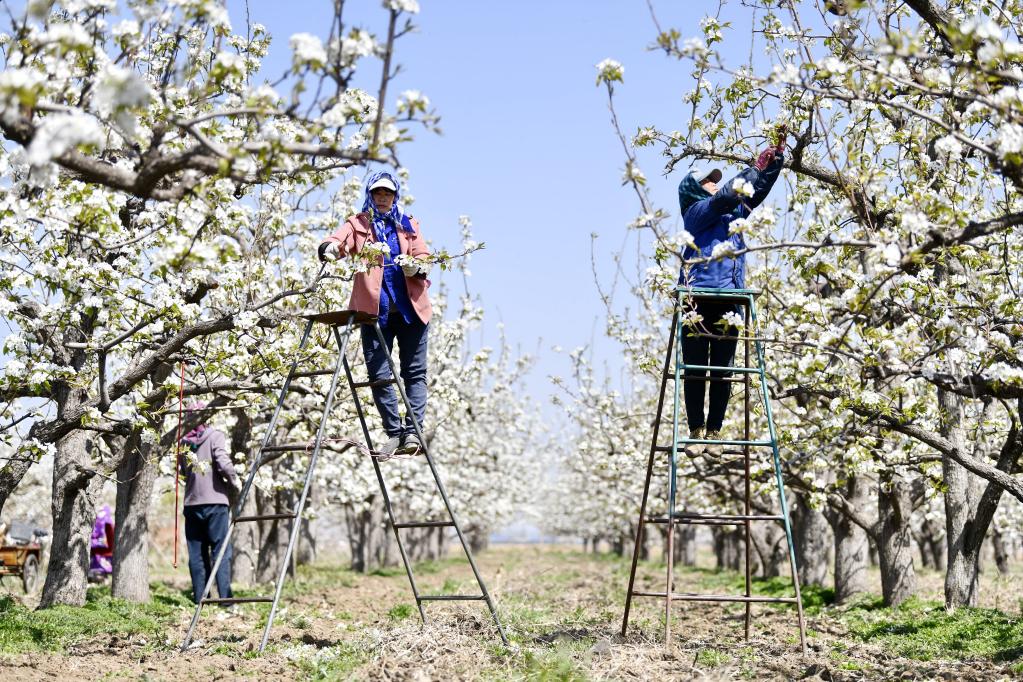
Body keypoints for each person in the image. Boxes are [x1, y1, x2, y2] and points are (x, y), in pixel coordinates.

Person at [676, 131, 787, 443]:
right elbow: (726, 194)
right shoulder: (695, 214)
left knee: (723, 370)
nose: (713, 184)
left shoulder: (733, 212)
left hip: (729, 298)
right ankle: (696, 428)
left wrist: (774, 159)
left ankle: (714, 432)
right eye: (707, 182)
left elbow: (755, 190)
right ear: (693, 190)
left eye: (714, 181)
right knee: (696, 369)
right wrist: (754, 165)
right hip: (697, 299)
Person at [318, 171, 432, 456]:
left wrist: (415, 267)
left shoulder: (408, 223)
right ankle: (394, 432)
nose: (383, 199)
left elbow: (423, 257)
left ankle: (413, 432)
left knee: (414, 373)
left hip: (410, 310)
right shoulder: (358, 224)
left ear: (395, 196)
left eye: (388, 194)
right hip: (374, 312)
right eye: (378, 194)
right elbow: (335, 242)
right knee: (379, 373)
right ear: (370, 195)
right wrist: (329, 249)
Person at [180, 412, 241, 604]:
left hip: (192, 503)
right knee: (221, 551)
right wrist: (234, 480)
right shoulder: (215, 435)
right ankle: (225, 600)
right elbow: (223, 463)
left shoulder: (183, 442)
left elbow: (183, 471)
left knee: (197, 554)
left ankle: (201, 598)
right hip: (216, 502)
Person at [88, 504, 114, 582]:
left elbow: (109, 535)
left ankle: (100, 577)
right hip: (99, 549)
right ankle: (98, 577)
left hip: (102, 549)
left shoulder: (105, 521)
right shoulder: (102, 520)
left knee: (100, 566)